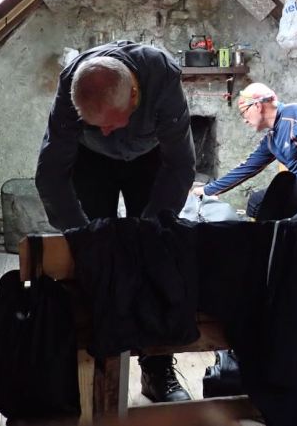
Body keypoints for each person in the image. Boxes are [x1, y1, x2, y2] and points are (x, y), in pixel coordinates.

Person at [35, 40, 195, 403]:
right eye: (95, 124)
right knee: (93, 260)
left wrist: (149, 233)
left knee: (157, 255)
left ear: (135, 95)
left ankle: (156, 370)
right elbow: (51, 173)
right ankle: (97, 361)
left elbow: (181, 165)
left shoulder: (162, 76)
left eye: (111, 122)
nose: (106, 130)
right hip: (92, 162)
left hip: (151, 158)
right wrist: (80, 234)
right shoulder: (72, 83)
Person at [193, 83, 297, 217]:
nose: (244, 120)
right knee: (257, 203)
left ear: (257, 106)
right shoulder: (272, 139)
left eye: (243, 113)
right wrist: (206, 191)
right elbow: (246, 169)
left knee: (295, 219)